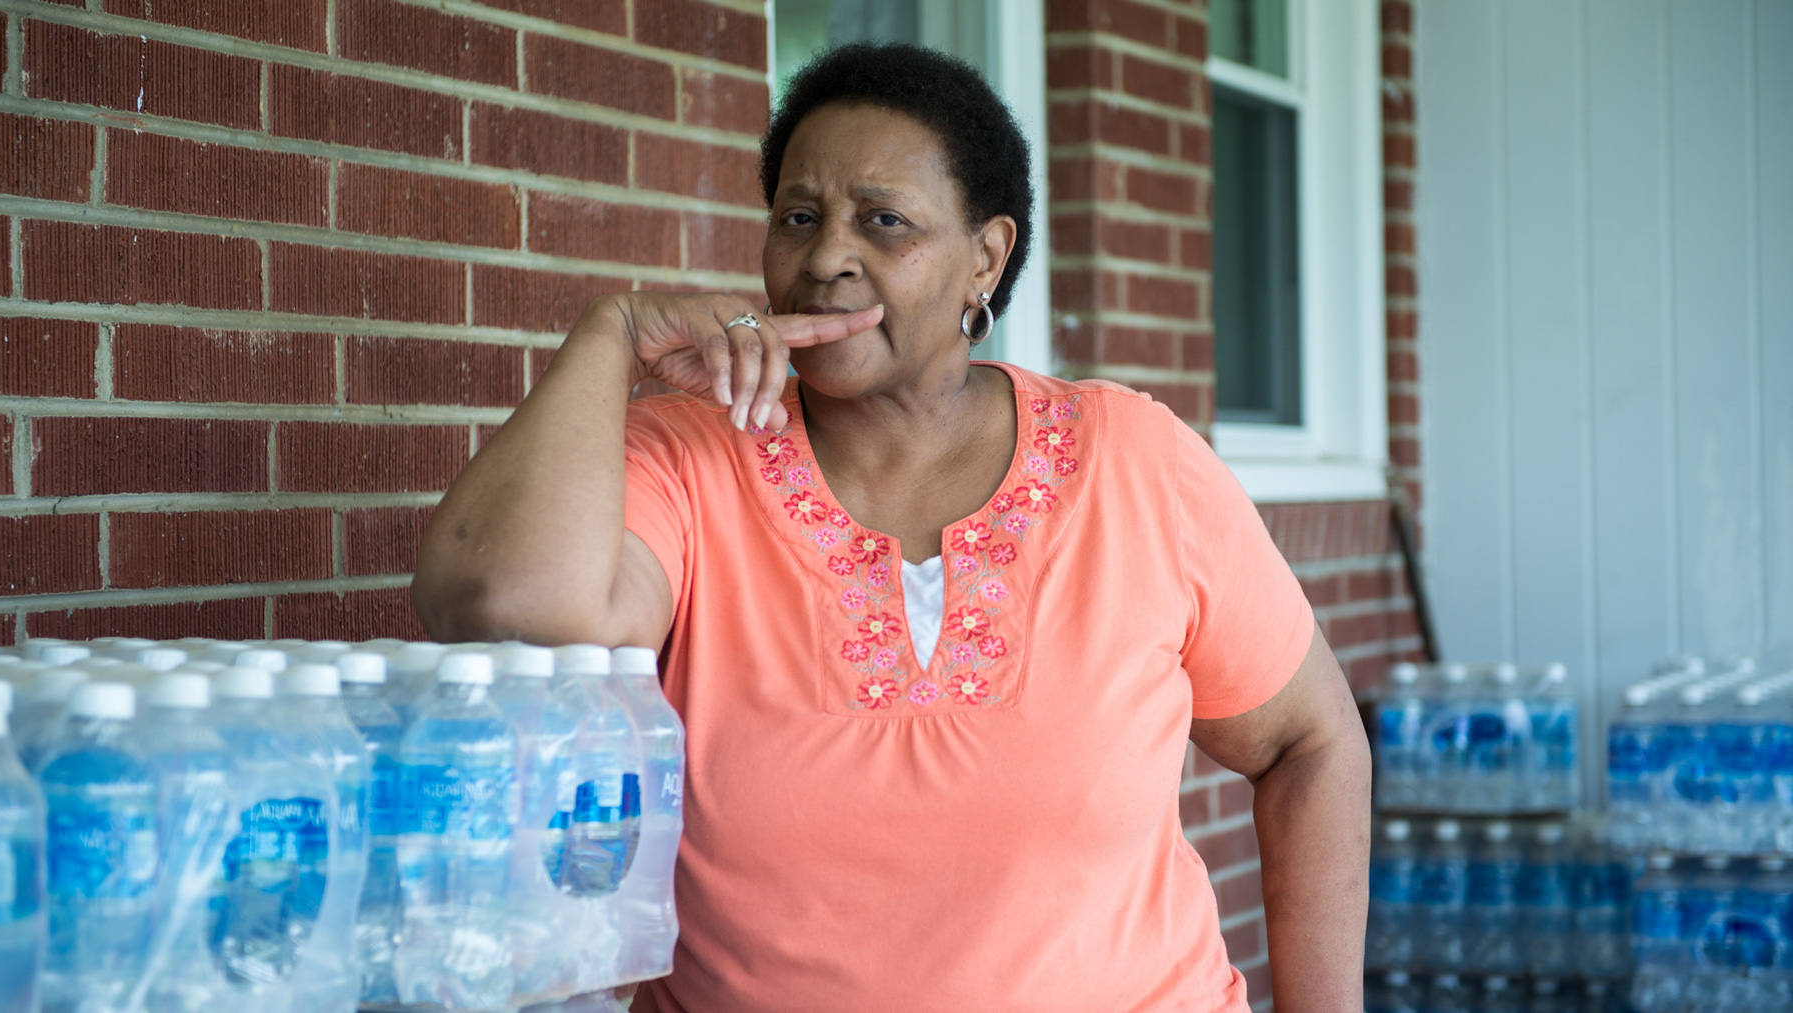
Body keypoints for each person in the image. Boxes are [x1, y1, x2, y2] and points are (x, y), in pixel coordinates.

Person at [414, 42, 1370, 1013]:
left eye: (883, 221)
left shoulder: (1135, 463)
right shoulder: (691, 458)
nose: (827, 256)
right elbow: (509, 601)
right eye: (798, 217)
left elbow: (1310, 740)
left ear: (984, 259)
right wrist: (610, 338)